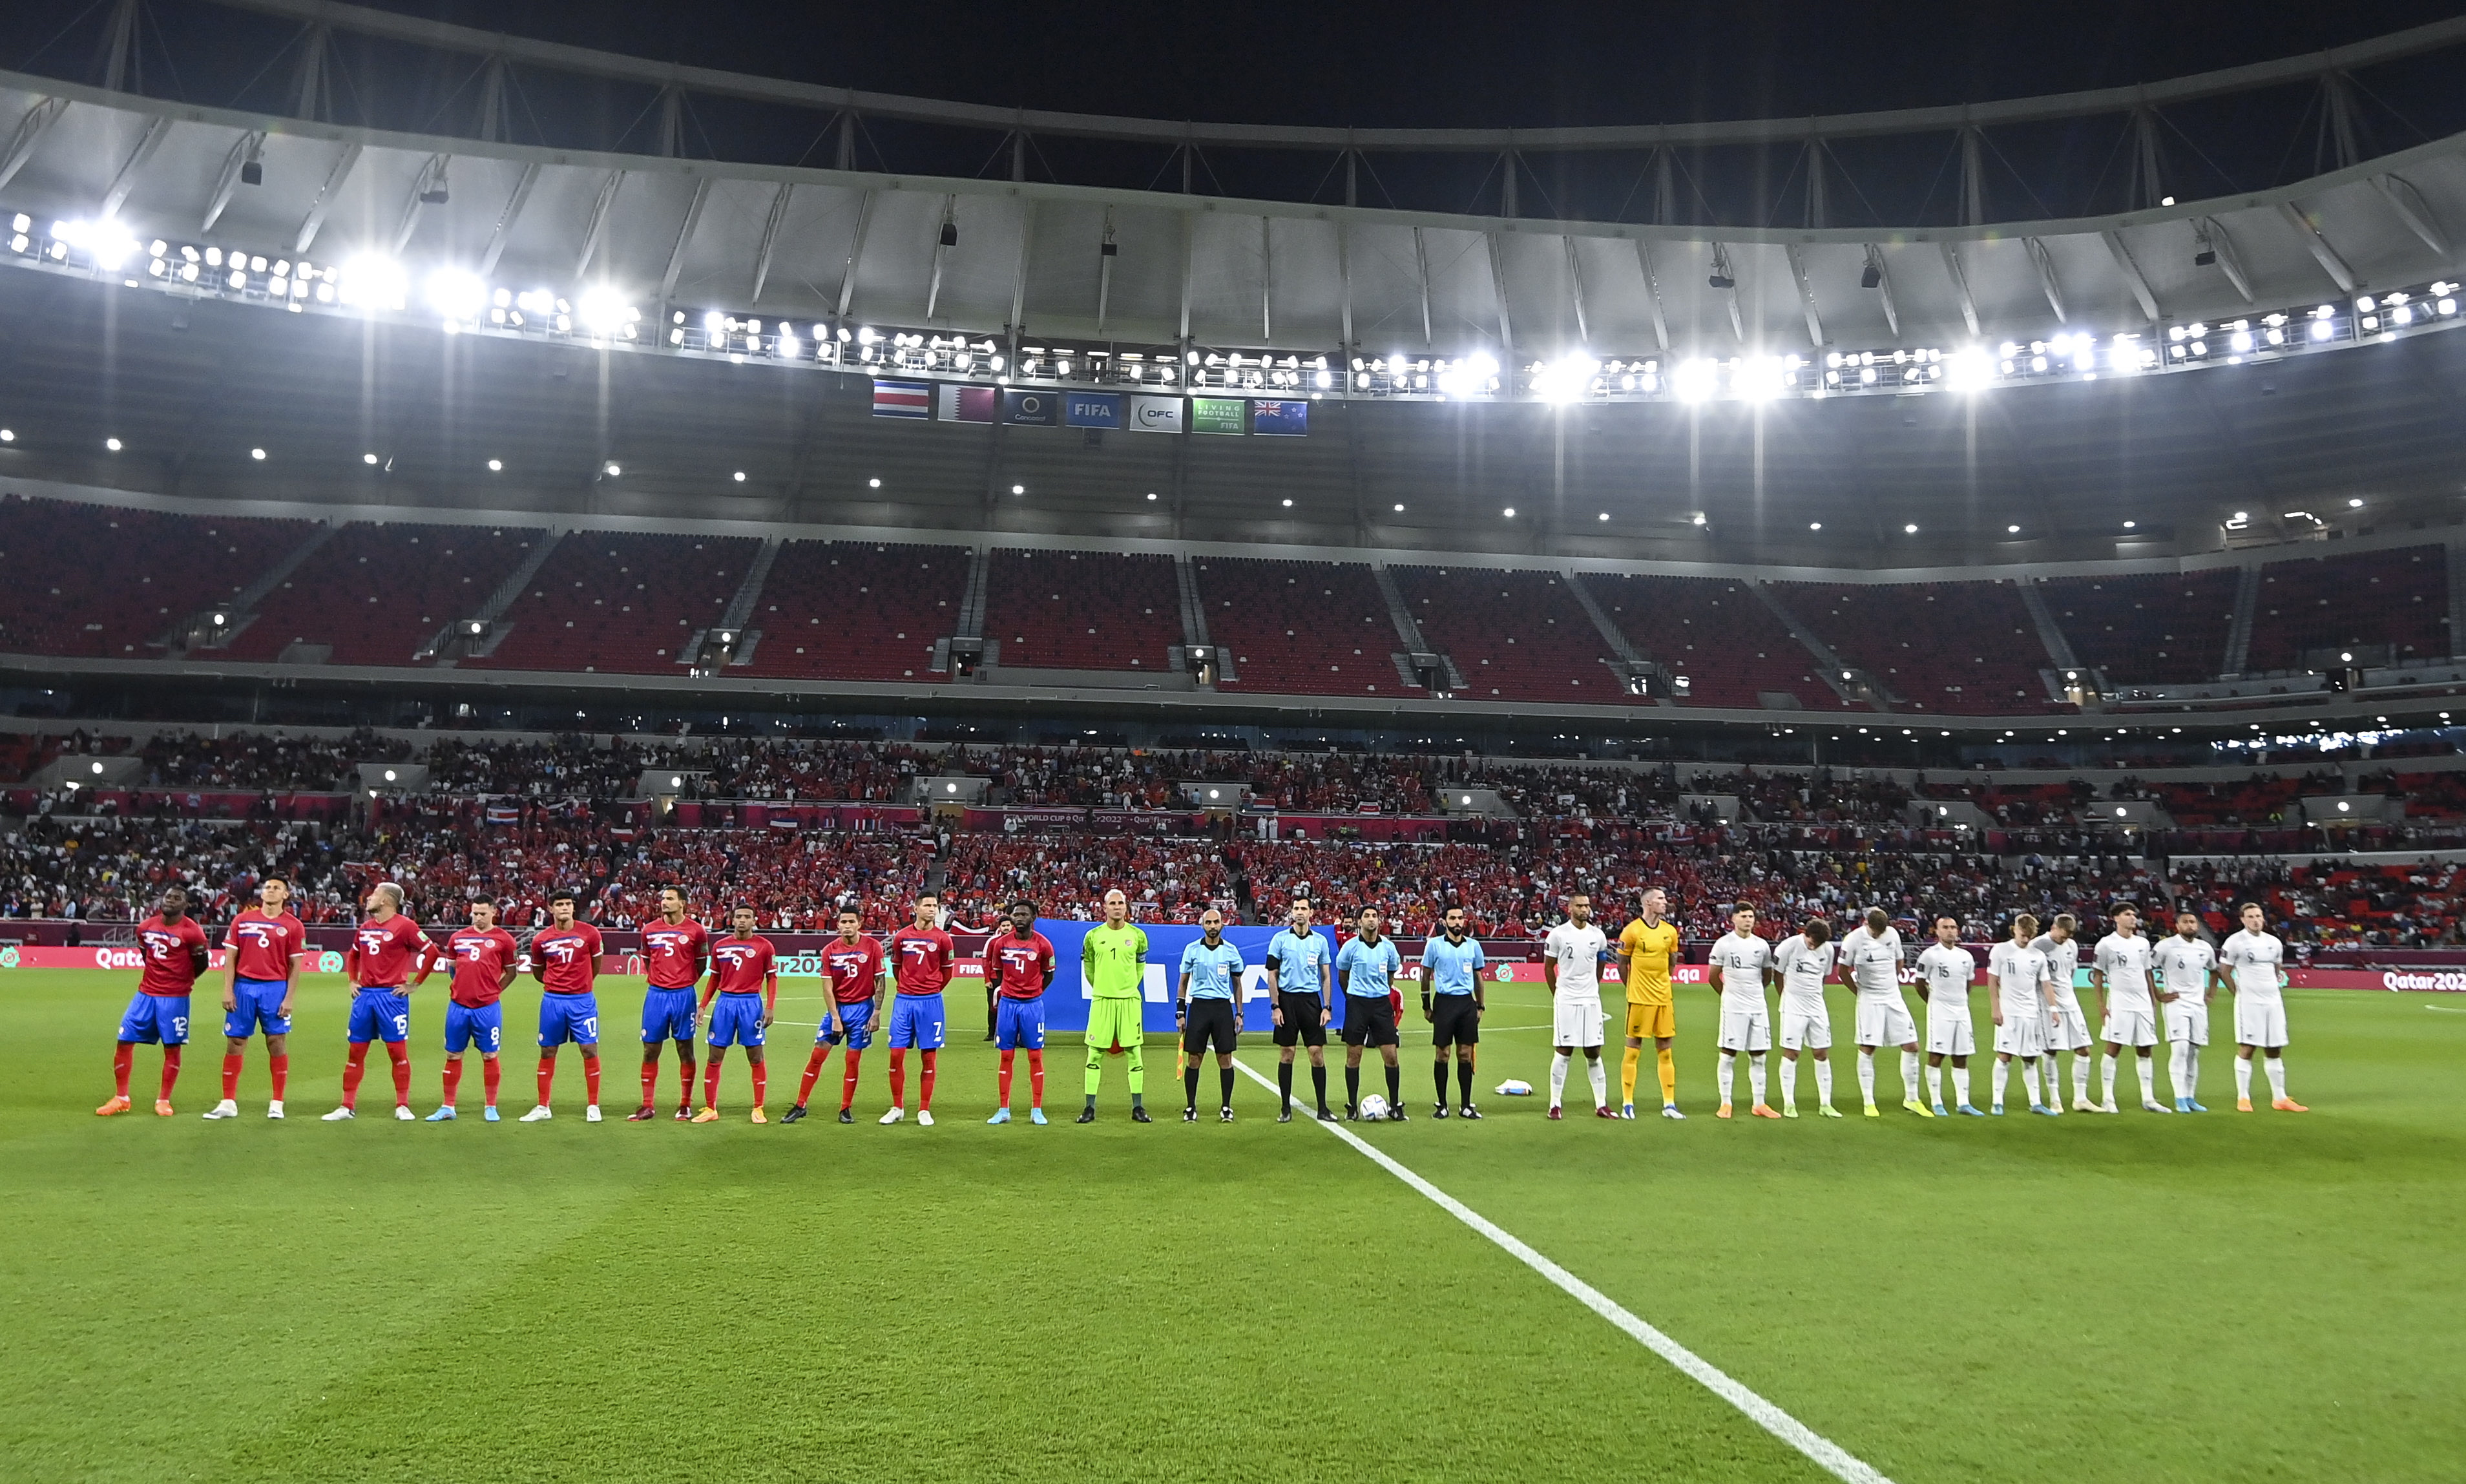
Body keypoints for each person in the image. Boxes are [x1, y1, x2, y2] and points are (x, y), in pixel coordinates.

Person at [323, 881, 436, 1122]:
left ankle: (403, 1105)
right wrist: (353, 980)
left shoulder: (406, 926)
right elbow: (353, 955)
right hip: (365, 997)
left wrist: (415, 984)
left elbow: (432, 952)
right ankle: (346, 1106)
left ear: (386, 900)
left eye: (374, 894)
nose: (369, 897)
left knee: (397, 1052)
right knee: (355, 1052)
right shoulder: (365, 927)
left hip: (391, 998)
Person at [97, 886, 209, 1118]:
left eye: (177, 898)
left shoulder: (193, 932)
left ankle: (163, 1100)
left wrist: (181, 982)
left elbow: (202, 964)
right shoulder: (146, 927)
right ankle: (122, 1098)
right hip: (145, 994)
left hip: (175, 999)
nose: (170, 901)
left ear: (186, 905)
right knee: (124, 1040)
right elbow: (146, 957)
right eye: (168, 896)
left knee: (172, 1048)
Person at [207, 877, 304, 1120]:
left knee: (276, 1042)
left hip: (275, 988)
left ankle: (277, 1102)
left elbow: (295, 965)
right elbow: (230, 958)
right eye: (268, 887)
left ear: (286, 895)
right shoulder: (242, 920)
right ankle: (228, 1102)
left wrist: (289, 998)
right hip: (243, 987)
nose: (271, 891)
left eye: (277, 888)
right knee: (235, 1042)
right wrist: (228, 989)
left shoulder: (293, 925)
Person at [784, 908, 883, 1125]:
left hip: (862, 1010)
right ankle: (800, 1105)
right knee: (817, 1056)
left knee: (852, 1061)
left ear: (859, 923)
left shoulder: (872, 947)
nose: (847, 925)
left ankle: (845, 1109)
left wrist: (876, 1013)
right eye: (843, 922)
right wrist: (835, 1017)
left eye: (851, 921)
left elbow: (880, 982)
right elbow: (827, 987)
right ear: (837, 925)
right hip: (837, 1009)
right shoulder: (830, 950)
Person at [427, 898, 519, 1122]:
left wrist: (494, 991)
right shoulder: (458, 938)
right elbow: (453, 970)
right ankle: (448, 1106)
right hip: (458, 1007)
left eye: (483, 913)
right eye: (475, 913)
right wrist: (461, 988)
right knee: (453, 1054)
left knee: (489, 1055)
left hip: (487, 1008)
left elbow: (511, 972)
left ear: (493, 913)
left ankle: (491, 1106)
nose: (478, 917)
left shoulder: (504, 940)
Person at [519, 888, 605, 1123]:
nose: (564, 908)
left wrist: (582, 984)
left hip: (582, 1001)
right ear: (551, 908)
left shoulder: (590, 933)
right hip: (553, 1001)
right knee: (548, 1050)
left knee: (589, 1049)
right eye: (559, 905)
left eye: (568, 904)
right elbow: (538, 971)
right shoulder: (541, 939)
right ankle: (543, 1106)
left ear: (573, 907)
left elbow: (596, 965)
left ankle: (593, 1105)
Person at [630, 886, 710, 1122]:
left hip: (684, 995)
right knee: (650, 1049)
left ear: (683, 903)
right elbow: (647, 960)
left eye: (670, 899)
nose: (664, 902)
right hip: (656, 996)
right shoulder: (649, 930)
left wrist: (683, 983)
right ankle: (647, 1105)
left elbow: (701, 964)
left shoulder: (696, 931)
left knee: (685, 1049)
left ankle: (685, 1105)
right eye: (663, 899)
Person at [1842, 906, 1929, 1118]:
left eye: (1881, 932)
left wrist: (1893, 980)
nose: (1878, 935)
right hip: (1869, 998)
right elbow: (1843, 970)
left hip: (1893, 996)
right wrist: (1860, 992)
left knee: (1912, 1045)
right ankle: (1869, 1102)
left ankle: (1912, 1099)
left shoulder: (1893, 934)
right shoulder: (1853, 939)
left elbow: (1899, 959)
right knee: (1868, 1047)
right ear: (1867, 924)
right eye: (1875, 932)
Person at [695, 905, 778, 1123]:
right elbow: (714, 979)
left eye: (747, 917)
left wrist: (770, 1007)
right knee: (714, 1056)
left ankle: (758, 1108)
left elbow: (772, 978)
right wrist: (703, 1005)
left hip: (751, 1003)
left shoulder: (764, 947)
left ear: (754, 921)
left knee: (756, 1055)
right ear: (732, 920)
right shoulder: (720, 946)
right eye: (739, 917)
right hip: (725, 1004)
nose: (742, 920)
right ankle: (710, 1108)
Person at [2220, 901, 2306, 1112]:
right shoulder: (2234, 942)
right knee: (2248, 1048)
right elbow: (2224, 972)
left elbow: (2277, 969)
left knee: (2275, 1048)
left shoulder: (2274, 942)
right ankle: (2243, 1098)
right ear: (2242, 920)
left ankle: (2280, 1098)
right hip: (2249, 1002)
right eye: (2250, 917)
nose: (2255, 920)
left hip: (2273, 1001)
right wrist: (2238, 994)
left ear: (2263, 918)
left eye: (2258, 916)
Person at [881, 893, 955, 1127]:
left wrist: (930, 989)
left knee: (929, 1057)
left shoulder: (944, 939)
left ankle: (924, 1109)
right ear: (916, 908)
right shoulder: (901, 937)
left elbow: (947, 973)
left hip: (931, 1002)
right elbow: (897, 967)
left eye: (935, 906)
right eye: (927, 905)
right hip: (904, 1001)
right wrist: (909, 988)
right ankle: (897, 1107)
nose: (932, 909)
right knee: (896, 1054)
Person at [1079, 888, 1153, 1123]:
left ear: (1126, 907)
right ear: (1105, 907)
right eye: (1113, 903)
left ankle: (1138, 1108)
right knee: (1094, 1055)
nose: (1117, 907)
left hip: (1130, 1002)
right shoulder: (1092, 936)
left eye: (1121, 903)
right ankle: (1089, 1108)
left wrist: (1128, 987)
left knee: (1134, 1054)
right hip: (1102, 1000)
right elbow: (1088, 967)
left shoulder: (1138, 936)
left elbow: (1140, 967)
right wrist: (1102, 987)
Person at [1542, 893, 1616, 1120]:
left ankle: (1601, 1105)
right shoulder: (1558, 935)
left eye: (1587, 906)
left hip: (1591, 1000)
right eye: (1580, 906)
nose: (1585, 909)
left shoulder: (1598, 935)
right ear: (1570, 908)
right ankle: (1555, 1104)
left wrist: (1591, 988)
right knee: (1564, 1051)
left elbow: (1601, 965)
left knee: (1593, 1051)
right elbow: (1549, 968)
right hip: (1567, 999)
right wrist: (1559, 994)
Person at [2089, 904, 2167, 1114]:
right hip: (2120, 1002)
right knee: (2114, 1048)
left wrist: (2153, 1001)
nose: (2133, 918)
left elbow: (2147, 973)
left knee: (2145, 1049)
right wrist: (2101, 1006)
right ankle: (2108, 1097)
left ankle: (2148, 1098)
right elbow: (2098, 976)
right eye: (2128, 914)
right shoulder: (2106, 944)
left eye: (2134, 914)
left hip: (2142, 1003)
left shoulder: (2142, 943)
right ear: (2116, 918)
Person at [1264, 898, 1335, 1123]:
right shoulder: (1280, 940)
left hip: (1311, 1003)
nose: (1300, 912)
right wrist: (1275, 1006)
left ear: (1311, 912)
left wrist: (1326, 1007)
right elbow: (1272, 975)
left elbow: (1326, 976)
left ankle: (1323, 1108)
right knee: (1288, 1054)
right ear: (1292, 913)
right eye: (1296, 909)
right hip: (1287, 1001)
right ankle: (1286, 1108)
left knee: (1317, 1055)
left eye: (1304, 908)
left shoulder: (1320, 942)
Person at [986, 900, 1056, 1125]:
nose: (1019, 918)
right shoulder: (1001, 944)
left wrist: (1033, 992)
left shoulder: (1044, 945)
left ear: (1033, 917)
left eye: (1024, 914)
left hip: (1032, 1006)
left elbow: (1049, 975)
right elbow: (997, 972)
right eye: (1016, 914)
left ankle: (1037, 1109)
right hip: (1007, 1005)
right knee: (1006, 1056)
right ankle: (1003, 1109)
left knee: (1035, 1056)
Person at [1615, 887, 1682, 1119]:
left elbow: (1672, 961)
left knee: (1665, 1052)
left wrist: (1662, 983)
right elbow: (1622, 964)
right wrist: (1633, 988)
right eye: (1661, 899)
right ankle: (1627, 1104)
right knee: (1633, 1051)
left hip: (1663, 999)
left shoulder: (1670, 932)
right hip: (1640, 999)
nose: (1665, 902)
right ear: (1647, 903)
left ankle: (1670, 1105)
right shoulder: (1632, 931)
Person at [1335, 904, 1405, 1120]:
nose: (1371, 920)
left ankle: (1394, 1105)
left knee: (1391, 1056)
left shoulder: (1388, 947)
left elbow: (1391, 973)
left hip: (1381, 1005)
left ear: (1379, 920)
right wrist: (1353, 997)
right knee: (1354, 1056)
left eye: (1374, 916)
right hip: (1357, 1004)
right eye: (1366, 916)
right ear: (1359, 922)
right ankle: (1352, 1106)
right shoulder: (1350, 947)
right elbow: (1342, 975)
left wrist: (1379, 991)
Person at [1177, 907, 1246, 1122]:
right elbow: (1183, 983)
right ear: (1203, 925)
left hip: (1222, 1008)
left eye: (1216, 922)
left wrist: (1239, 1013)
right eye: (1209, 923)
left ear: (1222, 924)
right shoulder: (1192, 950)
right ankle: (1190, 1107)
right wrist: (1181, 1013)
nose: (1213, 926)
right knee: (1194, 1059)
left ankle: (1226, 1107)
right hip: (1199, 1007)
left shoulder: (1231, 951)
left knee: (1225, 1059)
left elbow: (1237, 984)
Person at [1706, 906, 1775, 1121]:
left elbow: (1766, 976)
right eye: (1744, 916)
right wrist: (1729, 995)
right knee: (1729, 1054)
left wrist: (1753, 994)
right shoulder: (1724, 944)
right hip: (1734, 1006)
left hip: (1757, 1006)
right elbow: (1713, 977)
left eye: (1751, 917)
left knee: (1759, 1055)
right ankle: (1726, 1102)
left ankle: (1759, 1104)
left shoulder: (1761, 945)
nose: (1748, 920)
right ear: (1734, 918)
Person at [1419, 904, 1487, 1119]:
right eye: (1453, 918)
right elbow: (1425, 975)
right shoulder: (1434, 946)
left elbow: (1478, 978)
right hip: (1444, 1003)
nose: (1457, 922)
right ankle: (1442, 1105)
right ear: (1444, 921)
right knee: (1443, 1054)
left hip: (1466, 1004)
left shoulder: (1473, 946)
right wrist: (1426, 1005)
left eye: (1460, 918)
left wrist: (1480, 1005)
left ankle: (1466, 1105)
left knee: (1465, 1054)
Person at [1987, 914, 2059, 1116]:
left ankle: (2035, 1103)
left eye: (2029, 936)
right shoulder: (2001, 950)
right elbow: (1992, 981)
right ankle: (1997, 1102)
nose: (2025, 939)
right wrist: (1996, 1008)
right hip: (2009, 1012)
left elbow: (2046, 984)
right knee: (2004, 1055)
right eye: (2022, 935)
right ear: (2014, 930)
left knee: (2030, 1057)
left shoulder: (2038, 955)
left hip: (2031, 1012)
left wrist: (2053, 1009)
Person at [1914, 915, 1982, 1116]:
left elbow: (1968, 983)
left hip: (1962, 1011)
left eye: (1953, 927)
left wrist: (1959, 1000)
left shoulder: (1966, 957)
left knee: (1961, 1056)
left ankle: (1964, 1103)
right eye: (1945, 927)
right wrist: (1933, 1003)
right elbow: (1919, 984)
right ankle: (1937, 1102)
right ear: (1937, 931)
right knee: (1937, 1056)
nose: (1950, 931)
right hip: (1940, 1011)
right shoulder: (1930, 955)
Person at [2029, 913, 2098, 1112]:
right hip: (2046, 1003)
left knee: (2084, 1049)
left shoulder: (2072, 946)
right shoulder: (2038, 945)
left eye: (2068, 936)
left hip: (2071, 1002)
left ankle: (2080, 1099)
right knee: (2050, 1050)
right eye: (2062, 935)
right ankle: (2054, 1099)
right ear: (2054, 928)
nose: (2064, 939)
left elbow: (2070, 973)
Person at [1774, 915, 1839, 1118]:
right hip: (1793, 1005)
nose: (1814, 946)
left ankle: (1826, 1104)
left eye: (1818, 944)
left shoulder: (1827, 949)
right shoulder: (1789, 946)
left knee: (1821, 1053)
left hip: (1817, 1005)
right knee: (1792, 1053)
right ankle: (1789, 1103)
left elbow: (1824, 975)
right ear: (1805, 933)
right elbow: (1778, 973)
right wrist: (1785, 998)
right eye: (1812, 942)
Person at [2155, 909, 2217, 1113]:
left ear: (2197, 925)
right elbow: (2147, 968)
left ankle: (2190, 1097)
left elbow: (2214, 970)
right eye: (2185, 922)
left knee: (2193, 1053)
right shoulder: (2166, 946)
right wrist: (2158, 994)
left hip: (2198, 1005)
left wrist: (2211, 993)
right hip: (2177, 1004)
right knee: (2180, 1050)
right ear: (2177, 926)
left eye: (2193, 921)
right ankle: (2179, 1098)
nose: (2190, 925)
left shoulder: (2204, 948)